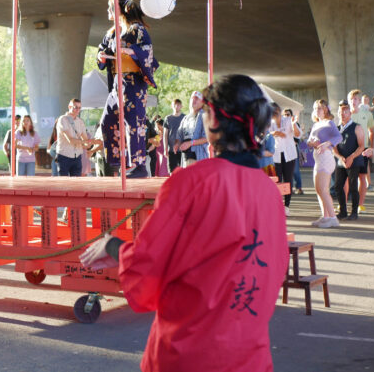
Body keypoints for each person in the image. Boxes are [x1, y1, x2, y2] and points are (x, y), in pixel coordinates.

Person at [80, 74, 288, 372]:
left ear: (213, 119)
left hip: (192, 352)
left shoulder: (192, 182)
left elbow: (149, 265)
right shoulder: (269, 192)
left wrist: (113, 246)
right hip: (249, 354)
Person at [97, 0, 158, 178]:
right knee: (108, 120)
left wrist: (128, 51)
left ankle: (139, 165)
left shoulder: (136, 29)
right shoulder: (112, 32)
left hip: (133, 81)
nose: (108, 12)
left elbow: (147, 50)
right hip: (117, 80)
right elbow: (102, 50)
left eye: (110, 8)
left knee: (134, 123)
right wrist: (101, 56)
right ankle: (119, 160)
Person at [307, 100, 342, 228]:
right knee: (318, 190)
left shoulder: (329, 123)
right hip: (318, 159)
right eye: (315, 108)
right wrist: (312, 143)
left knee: (323, 190)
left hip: (326, 158)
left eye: (320, 108)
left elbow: (338, 137)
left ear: (325, 109)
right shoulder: (316, 124)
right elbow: (309, 141)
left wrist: (327, 143)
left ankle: (333, 218)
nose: (317, 110)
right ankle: (325, 217)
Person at [333, 100, 365, 220]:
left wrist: (351, 157)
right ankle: (343, 211)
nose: (343, 113)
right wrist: (340, 157)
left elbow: (361, 145)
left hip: (354, 161)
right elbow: (333, 148)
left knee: (353, 186)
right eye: (340, 111)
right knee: (337, 186)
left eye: (345, 111)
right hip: (341, 162)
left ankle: (354, 213)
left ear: (350, 113)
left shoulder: (357, 127)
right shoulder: (336, 129)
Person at [348, 90, 373, 212]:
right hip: (348, 150)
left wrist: (371, 147)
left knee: (362, 177)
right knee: (346, 178)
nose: (354, 101)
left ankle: (360, 204)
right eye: (352, 99)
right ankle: (344, 203)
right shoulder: (345, 114)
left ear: (360, 101)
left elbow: (371, 131)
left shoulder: (367, 114)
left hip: (363, 149)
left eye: (356, 99)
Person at [270, 103, 296, 216]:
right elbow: (264, 133)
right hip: (276, 155)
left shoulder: (288, 120)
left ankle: (287, 206)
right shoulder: (269, 123)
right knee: (277, 181)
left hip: (289, 155)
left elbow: (298, 134)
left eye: (276, 113)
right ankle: (277, 205)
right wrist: (273, 133)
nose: (275, 117)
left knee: (288, 180)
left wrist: (295, 125)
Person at [174, 91, 209, 167]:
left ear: (202, 103)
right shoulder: (185, 118)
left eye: (197, 98)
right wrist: (177, 144)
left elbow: (207, 138)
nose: (194, 100)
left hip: (199, 157)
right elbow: (179, 136)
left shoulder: (205, 115)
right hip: (185, 157)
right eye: (192, 98)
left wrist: (190, 143)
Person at [56, 99, 89, 176]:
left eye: (79, 108)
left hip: (77, 157)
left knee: (77, 184)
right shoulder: (62, 119)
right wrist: (85, 142)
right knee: (63, 184)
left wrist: (90, 143)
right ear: (69, 107)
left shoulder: (80, 122)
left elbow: (86, 140)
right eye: (75, 107)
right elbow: (70, 140)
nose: (77, 110)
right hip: (64, 156)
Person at [284, 108, 304, 195]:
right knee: (286, 171)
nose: (286, 116)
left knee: (295, 170)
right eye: (284, 115)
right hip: (284, 150)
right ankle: (289, 188)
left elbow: (296, 140)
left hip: (293, 150)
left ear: (291, 116)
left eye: (288, 114)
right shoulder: (282, 125)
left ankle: (299, 187)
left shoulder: (295, 124)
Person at [162, 99, 185, 174]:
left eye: (178, 104)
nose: (176, 106)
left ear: (181, 106)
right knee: (172, 172)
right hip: (171, 150)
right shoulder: (168, 118)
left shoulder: (184, 117)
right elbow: (165, 134)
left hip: (183, 149)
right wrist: (165, 148)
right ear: (172, 106)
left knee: (183, 171)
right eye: (175, 105)